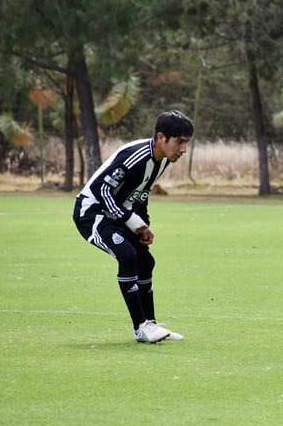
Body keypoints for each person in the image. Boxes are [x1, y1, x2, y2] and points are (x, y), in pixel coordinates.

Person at [73, 110, 194, 343]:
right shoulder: (136, 156)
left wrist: (143, 225)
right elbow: (102, 189)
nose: (183, 149)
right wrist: (132, 222)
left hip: (117, 214)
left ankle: (151, 324)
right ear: (161, 137)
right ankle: (140, 327)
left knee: (146, 261)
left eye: (186, 143)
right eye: (179, 142)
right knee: (127, 256)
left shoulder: (161, 161)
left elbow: (140, 195)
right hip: (92, 213)